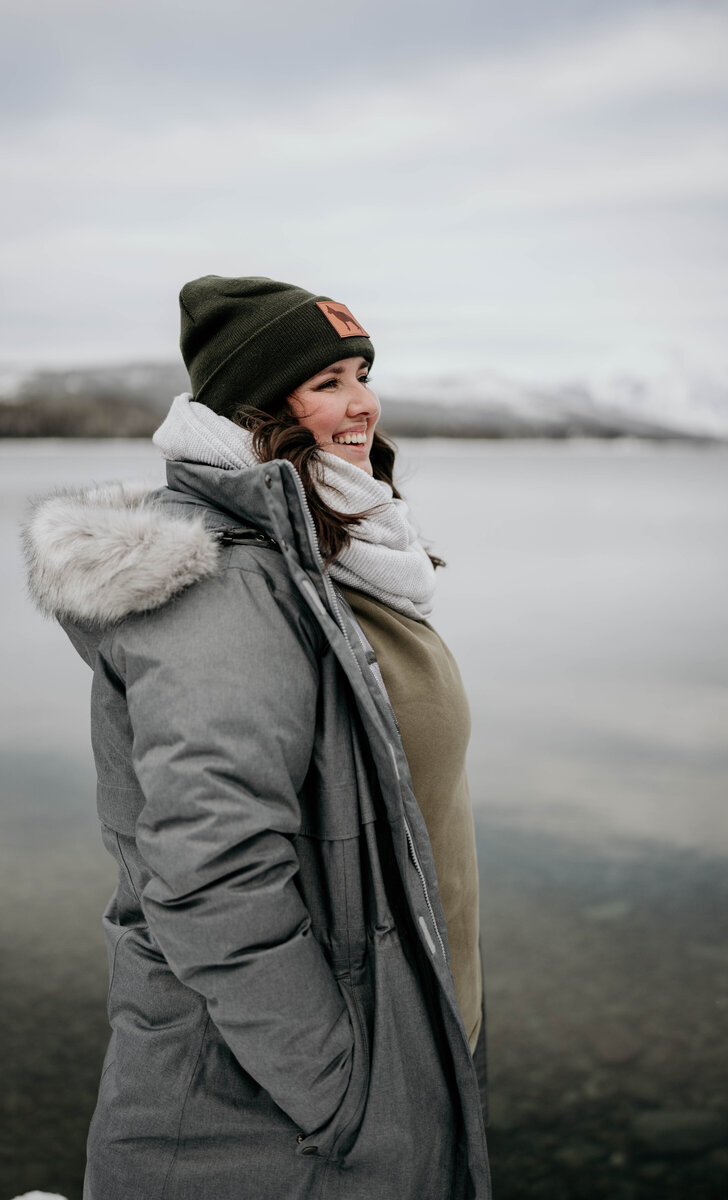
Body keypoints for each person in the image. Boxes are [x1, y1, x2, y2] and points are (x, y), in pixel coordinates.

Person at [23, 275, 491, 1200]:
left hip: (376, 1042)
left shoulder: (328, 553)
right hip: (262, 1125)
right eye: (326, 382)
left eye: (362, 371)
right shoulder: (226, 586)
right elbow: (212, 876)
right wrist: (347, 1096)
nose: (362, 402)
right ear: (260, 404)